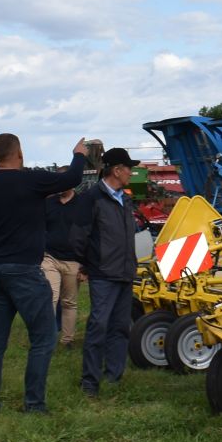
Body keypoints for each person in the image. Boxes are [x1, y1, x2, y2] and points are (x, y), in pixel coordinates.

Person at [0, 134, 89, 414]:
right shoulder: (30, 180)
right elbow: (73, 178)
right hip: (25, 270)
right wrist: (78, 154)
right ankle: (34, 404)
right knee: (42, 338)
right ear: (18, 153)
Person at [79, 149, 141, 398]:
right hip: (103, 273)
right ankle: (89, 382)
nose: (131, 173)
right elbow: (81, 235)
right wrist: (86, 266)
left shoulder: (125, 199)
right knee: (98, 326)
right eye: (129, 169)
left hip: (125, 272)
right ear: (117, 170)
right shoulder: (92, 197)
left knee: (120, 327)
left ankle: (114, 376)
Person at [42, 186, 88, 348]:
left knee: (69, 302)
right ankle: (47, 339)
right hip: (50, 258)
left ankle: (67, 340)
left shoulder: (82, 203)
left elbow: (88, 232)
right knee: (50, 298)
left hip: (73, 260)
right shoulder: (48, 203)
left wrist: (85, 265)